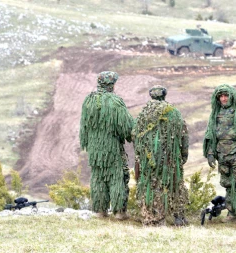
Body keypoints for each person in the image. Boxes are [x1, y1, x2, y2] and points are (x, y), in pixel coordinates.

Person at [79, 71, 134, 220]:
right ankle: (119, 212)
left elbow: (84, 126)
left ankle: (99, 211)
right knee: (116, 177)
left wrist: (88, 143)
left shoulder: (88, 101)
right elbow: (126, 127)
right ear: (111, 84)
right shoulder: (115, 101)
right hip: (112, 148)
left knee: (98, 178)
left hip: (94, 149)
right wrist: (132, 136)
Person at [133, 85, 189, 226]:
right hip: (171, 158)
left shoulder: (143, 114)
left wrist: (140, 156)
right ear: (164, 95)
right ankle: (179, 217)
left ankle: (155, 217)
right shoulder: (174, 112)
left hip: (149, 159)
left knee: (152, 187)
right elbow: (183, 135)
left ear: (151, 96)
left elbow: (135, 136)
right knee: (176, 184)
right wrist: (183, 156)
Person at [203, 84, 236, 226]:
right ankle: (232, 211)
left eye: (226, 95)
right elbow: (211, 134)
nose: (223, 98)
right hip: (223, 155)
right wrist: (210, 153)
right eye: (220, 96)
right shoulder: (216, 112)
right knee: (228, 184)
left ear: (231, 96)